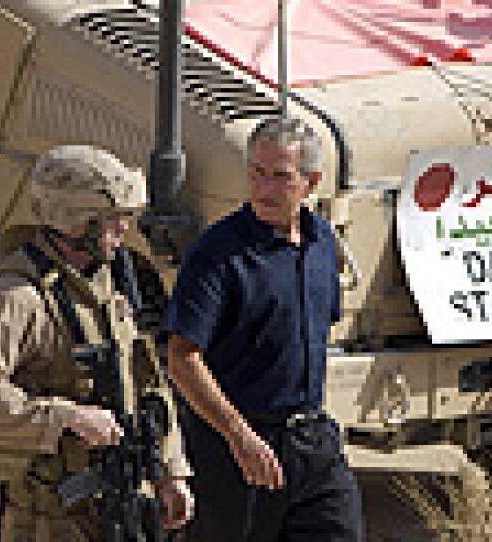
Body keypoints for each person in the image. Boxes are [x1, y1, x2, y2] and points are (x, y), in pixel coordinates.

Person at [0, 145, 194, 541]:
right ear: (76, 222)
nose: (124, 228)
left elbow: (146, 381)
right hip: (48, 516)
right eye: (112, 219)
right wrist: (67, 417)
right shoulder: (16, 295)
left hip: (121, 498)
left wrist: (172, 469)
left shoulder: (111, 280)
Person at [163, 116, 362, 541]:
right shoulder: (217, 254)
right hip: (237, 451)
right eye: (257, 173)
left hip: (312, 442)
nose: (265, 188)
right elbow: (182, 357)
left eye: (281, 177)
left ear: (311, 183)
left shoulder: (322, 242)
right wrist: (239, 434)